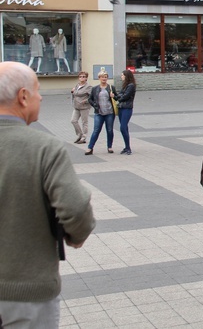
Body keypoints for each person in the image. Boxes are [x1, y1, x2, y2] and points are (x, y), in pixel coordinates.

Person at [0, 61, 95, 328]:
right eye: (37, 90)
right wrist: (75, 235)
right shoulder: (43, 147)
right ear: (23, 97)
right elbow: (75, 207)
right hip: (26, 293)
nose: (41, 97)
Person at [85, 69, 117, 155]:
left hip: (109, 112)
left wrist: (113, 96)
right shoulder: (95, 88)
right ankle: (90, 147)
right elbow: (90, 99)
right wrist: (95, 105)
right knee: (96, 130)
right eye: (102, 77)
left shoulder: (111, 87)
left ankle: (109, 147)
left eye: (106, 77)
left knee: (110, 130)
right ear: (99, 78)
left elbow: (117, 97)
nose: (104, 79)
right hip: (99, 113)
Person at [115, 70, 137, 155]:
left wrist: (117, 98)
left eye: (122, 75)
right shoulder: (125, 85)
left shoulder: (131, 85)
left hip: (127, 108)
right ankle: (127, 146)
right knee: (124, 128)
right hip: (121, 108)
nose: (121, 77)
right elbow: (120, 94)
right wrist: (117, 96)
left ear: (126, 76)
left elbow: (125, 96)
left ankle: (128, 148)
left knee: (123, 127)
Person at [71, 71, 92, 144]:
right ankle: (80, 134)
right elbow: (75, 94)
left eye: (83, 76)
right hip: (76, 106)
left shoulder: (88, 86)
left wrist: (85, 101)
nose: (81, 78)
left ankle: (84, 137)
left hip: (84, 107)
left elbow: (91, 97)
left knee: (84, 122)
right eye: (80, 76)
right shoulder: (77, 85)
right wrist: (72, 91)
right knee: (73, 121)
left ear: (86, 78)